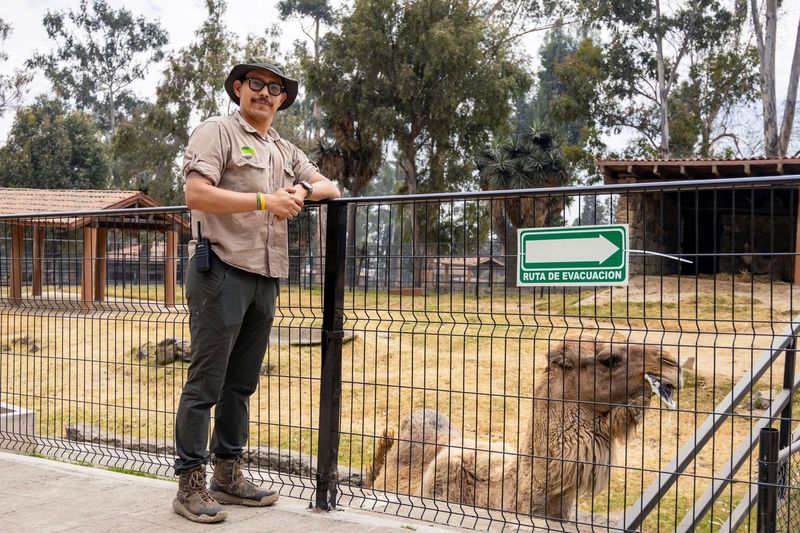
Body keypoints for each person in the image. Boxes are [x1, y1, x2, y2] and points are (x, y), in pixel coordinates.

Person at [172, 60, 341, 523]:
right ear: (238, 89)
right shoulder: (218, 132)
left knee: (241, 383)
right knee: (206, 382)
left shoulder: (284, 149)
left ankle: (227, 476)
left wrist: (302, 189)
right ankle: (190, 483)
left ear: (283, 99)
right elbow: (197, 195)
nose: (265, 92)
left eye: (275, 88)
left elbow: (331, 185)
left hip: (267, 275)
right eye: (256, 84)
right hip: (220, 268)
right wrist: (266, 200)